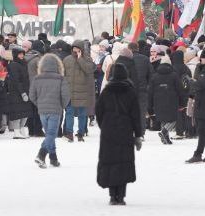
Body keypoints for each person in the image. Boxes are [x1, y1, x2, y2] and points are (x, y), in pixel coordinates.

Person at [95, 61, 143, 205]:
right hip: (125, 129)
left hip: (109, 130)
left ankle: (112, 196)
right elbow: (136, 114)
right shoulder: (130, 91)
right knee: (123, 162)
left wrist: (104, 125)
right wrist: (138, 134)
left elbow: (99, 111)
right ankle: (121, 196)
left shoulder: (106, 91)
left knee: (110, 161)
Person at [30, 52, 71, 168]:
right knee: (51, 134)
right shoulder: (61, 79)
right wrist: (61, 106)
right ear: (58, 66)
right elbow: (66, 95)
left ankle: (53, 158)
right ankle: (41, 155)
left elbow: (32, 95)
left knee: (49, 134)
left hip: (42, 110)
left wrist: (39, 104)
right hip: (55, 110)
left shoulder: (37, 78)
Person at [148, 46, 180, 145]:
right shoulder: (174, 75)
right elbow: (179, 89)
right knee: (174, 119)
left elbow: (150, 91)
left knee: (162, 119)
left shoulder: (155, 76)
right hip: (172, 99)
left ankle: (165, 138)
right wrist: (182, 101)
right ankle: (164, 132)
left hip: (158, 100)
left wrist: (150, 104)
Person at [64, 42, 95, 142]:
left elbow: (89, 70)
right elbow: (63, 74)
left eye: (78, 48)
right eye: (74, 48)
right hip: (70, 91)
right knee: (69, 113)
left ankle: (81, 133)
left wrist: (80, 59)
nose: (76, 50)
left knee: (82, 114)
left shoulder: (87, 59)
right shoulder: (67, 59)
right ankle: (69, 133)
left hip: (83, 92)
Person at [0, 46, 32, 139]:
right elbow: (16, 81)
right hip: (16, 92)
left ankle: (21, 129)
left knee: (25, 112)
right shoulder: (13, 65)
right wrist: (22, 93)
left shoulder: (23, 64)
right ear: (15, 55)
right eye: (20, 54)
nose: (21, 56)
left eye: (22, 54)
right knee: (17, 112)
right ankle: (16, 131)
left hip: (25, 90)